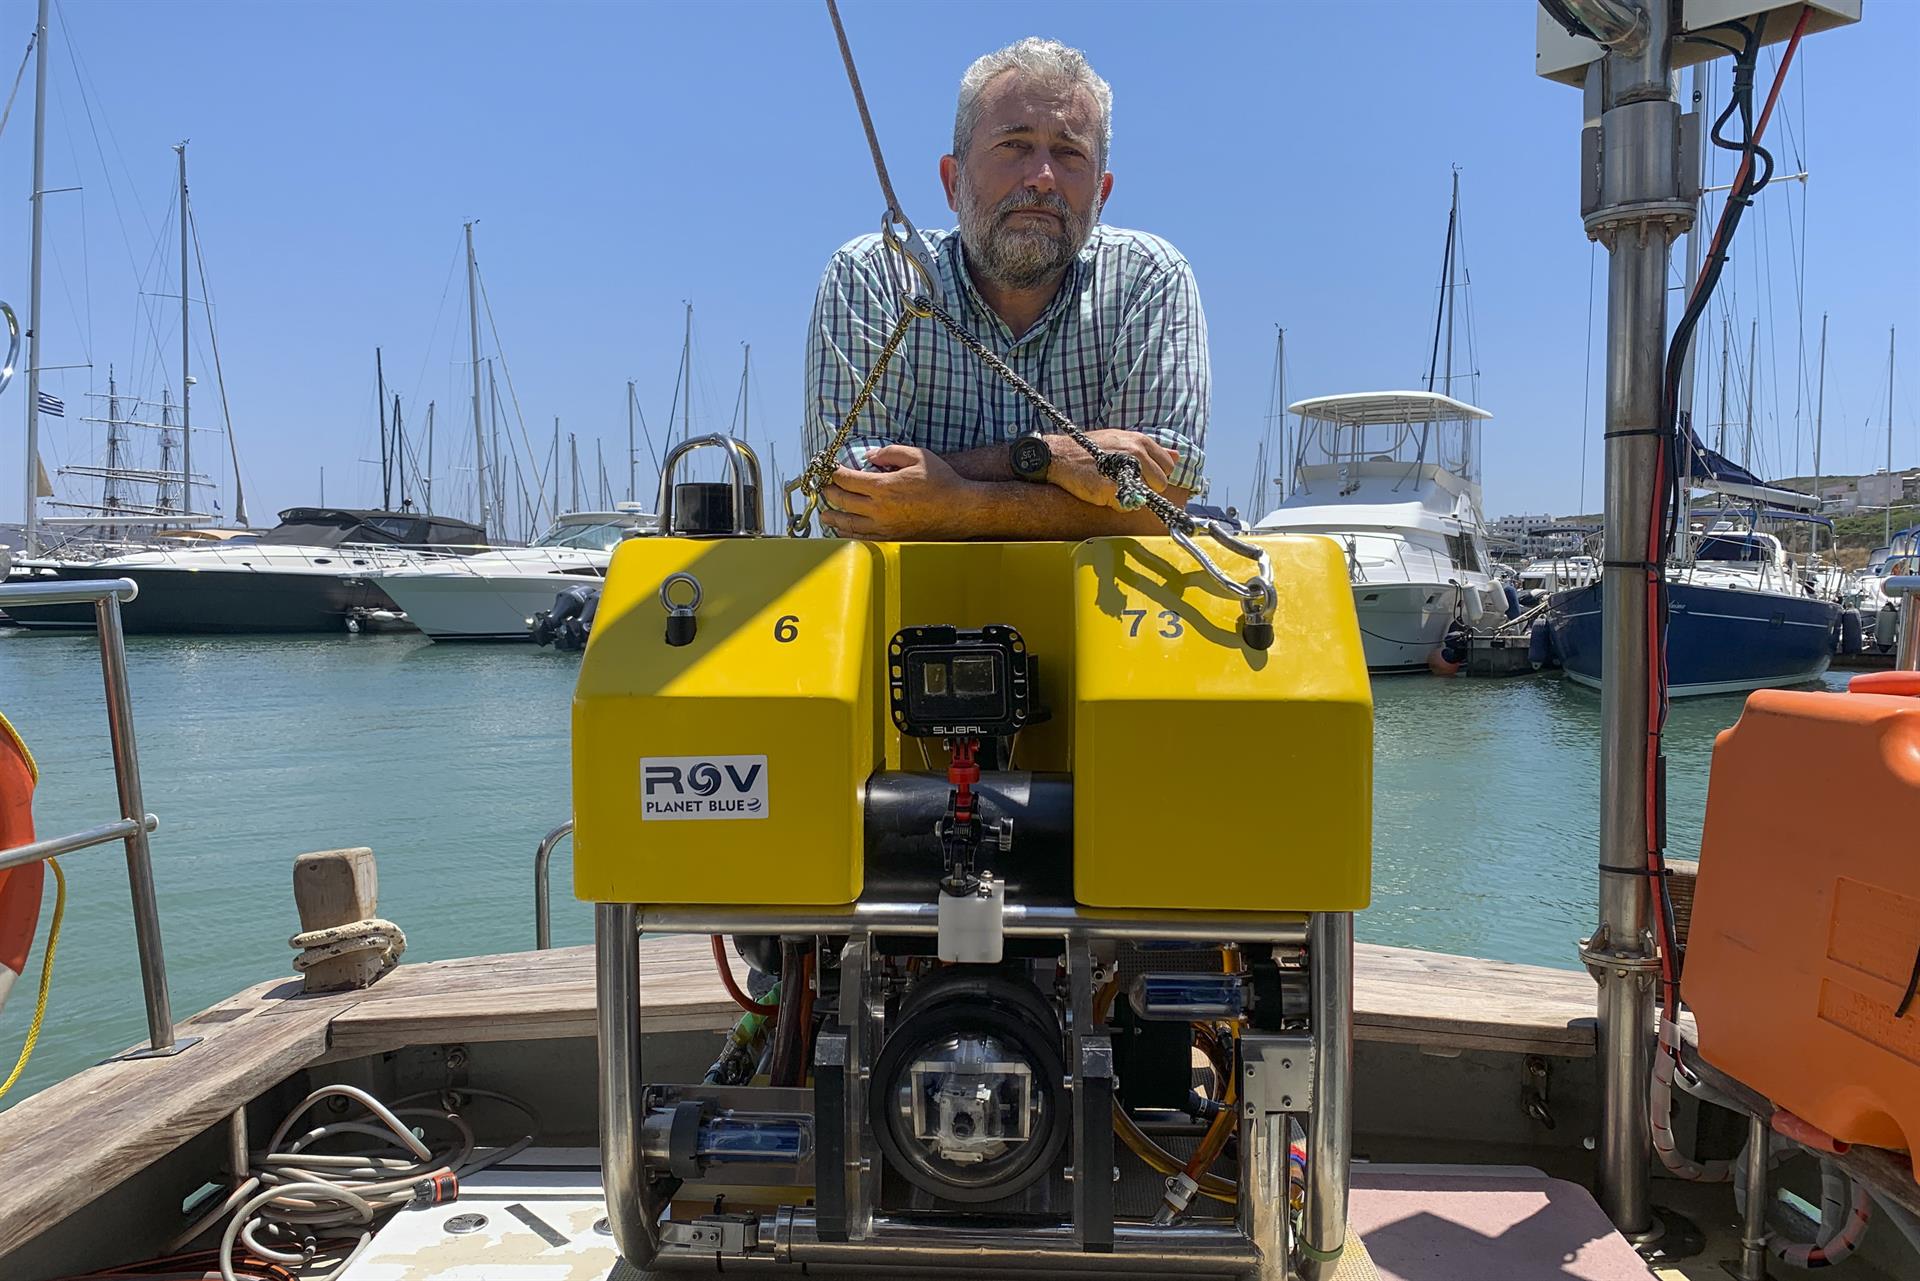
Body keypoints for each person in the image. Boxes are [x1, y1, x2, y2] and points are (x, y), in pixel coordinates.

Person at [803, 36, 1210, 540]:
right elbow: (856, 495)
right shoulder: (875, 276)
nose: (1041, 177)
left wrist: (961, 506)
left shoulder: (1148, 278)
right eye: (1013, 145)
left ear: (1101, 195)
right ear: (952, 182)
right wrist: (1050, 457)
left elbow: (1158, 503)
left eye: (1068, 153)